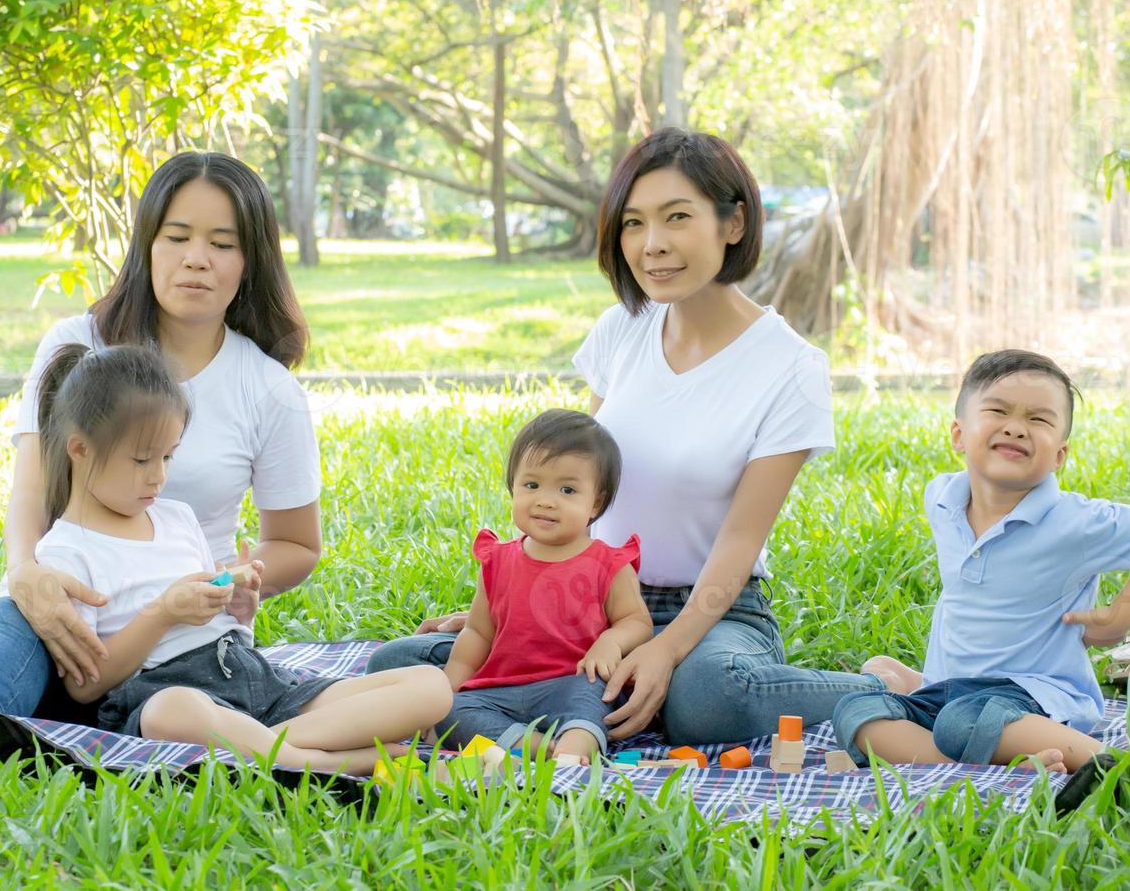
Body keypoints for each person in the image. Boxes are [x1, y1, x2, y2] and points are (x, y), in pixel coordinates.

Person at [369, 128, 901, 745]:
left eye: (677, 218)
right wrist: (527, 604)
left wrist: (666, 650)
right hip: (591, 592)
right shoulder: (622, 330)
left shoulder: (791, 367)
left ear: (733, 223)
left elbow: (737, 544)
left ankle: (887, 689)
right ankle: (598, 700)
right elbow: (579, 491)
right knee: (398, 667)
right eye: (633, 223)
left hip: (713, 610)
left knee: (705, 700)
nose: (652, 246)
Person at [0, 152, 323, 754]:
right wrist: (27, 574)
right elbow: (30, 490)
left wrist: (222, 583)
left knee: (13, 629)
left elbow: (297, 544)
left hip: (168, 653)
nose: (196, 258)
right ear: (146, 245)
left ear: (251, 258)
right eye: (176, 236)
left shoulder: (268, 389)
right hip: (59, 607)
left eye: (222, 243)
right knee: (17, 617)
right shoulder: (78, 343)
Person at [26, 341, 448, 772]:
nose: (159, 476)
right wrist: (165, 612)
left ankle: (280, 749)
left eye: (168, 456)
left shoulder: (176, 518)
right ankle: (319, 760)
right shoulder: (66, 551)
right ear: (79, 449)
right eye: (141, 459)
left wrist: (240, 611)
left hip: (245, 677)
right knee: (168, 713)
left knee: (432, 686)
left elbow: (218, 628)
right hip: (170, 692)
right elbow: (84, 687)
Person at [833, 350, 1127, 773]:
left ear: (1059, 455)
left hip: (1034, 696)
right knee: (857, 711)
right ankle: (983, 767)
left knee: (962, 721)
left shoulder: (1074, 522)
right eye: (998, 411)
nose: (1015, 427)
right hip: (947, 691)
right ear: (958, 435)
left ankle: (1107, 766)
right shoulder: (941, 499)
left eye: (1038, 420)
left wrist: (1121, 615)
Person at [434, 409, 651, 761]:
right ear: (513, 486)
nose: (545, 500)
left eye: (567, 490)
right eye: (531, 485)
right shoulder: (498, 560)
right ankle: (536, 748)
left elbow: (637, 622)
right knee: (448, 712)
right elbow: (477, 632)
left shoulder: (607, 563)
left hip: (573, 680)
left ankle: (574, 750)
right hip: (502, 686)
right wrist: (452, 679)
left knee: (594, 699)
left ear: (595, 502)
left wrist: (610, 642)